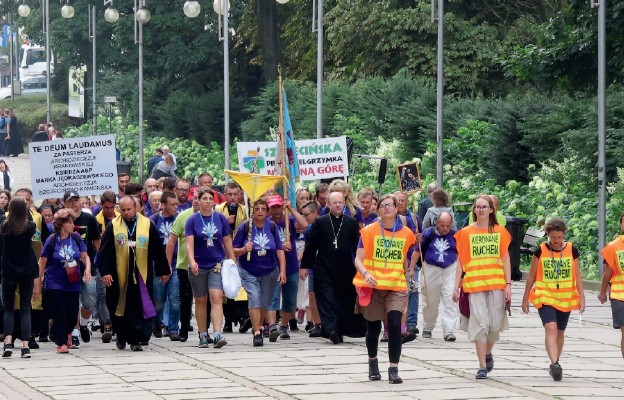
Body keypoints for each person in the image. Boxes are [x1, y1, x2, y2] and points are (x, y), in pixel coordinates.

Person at [353, 194, 416, 383]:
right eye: (383, 205)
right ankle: (373, 362)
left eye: (391, 205)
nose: (387, 208)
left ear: (397, 209)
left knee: (395, 324)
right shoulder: (368, 232)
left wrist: (408, 274)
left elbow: (405, 256)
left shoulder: (406, 233)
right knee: (373, 329)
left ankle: (393, 369)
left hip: (396, 286)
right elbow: (358, 259)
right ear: (378, 210)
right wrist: (365, 274)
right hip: (373, 286)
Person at [98, 196, 170, 351]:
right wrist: (105, 272)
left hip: (141, 274)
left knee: (138, 306)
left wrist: (163, 270)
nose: (125, 213)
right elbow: (104, 252)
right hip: (118, 276)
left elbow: (157, 249)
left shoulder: (147, 224)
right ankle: (121, 336)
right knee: (117, 306)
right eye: (122, 210)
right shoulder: (113, 226)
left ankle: (135, 339)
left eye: (128, 209)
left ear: (135, 208)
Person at [452, 195, 511, 380]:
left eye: (484, 207)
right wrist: (456, 287)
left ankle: (487, 352)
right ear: (474, 210)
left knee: (494, 326)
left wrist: (508, 284)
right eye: (478, 207)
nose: (481, 210)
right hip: (474, 285)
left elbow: (505, 258)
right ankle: (482, 366)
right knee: (479, 324)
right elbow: (461, 262)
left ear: (492, 210)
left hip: (496, 284)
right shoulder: (466, 233)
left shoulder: (500, 232)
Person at [522, 218, 585, 381]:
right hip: (545, 295)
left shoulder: (572, 250)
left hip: (565, 297)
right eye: (553, 238)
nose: (556, 241)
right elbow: (531, 276)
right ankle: (555, 363)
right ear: (548, 235)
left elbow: (577, 275)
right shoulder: (541, 250)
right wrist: (525, 298)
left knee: (560, 331)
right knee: (551, 327)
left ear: (564, 234)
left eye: (559, 238)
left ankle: (555, 362)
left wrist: (582, 298)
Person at [301, 192, 366, 344]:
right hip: (324, 268)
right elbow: (311, 246)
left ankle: (340, 329)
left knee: (343, 301)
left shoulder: (351, 222)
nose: (337, 205)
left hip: (345, 269)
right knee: (327, 299)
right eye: (334, 202)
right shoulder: (320, 222)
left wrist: (362, 266)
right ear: (328, 204)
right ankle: (331, 330)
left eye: (340, 202)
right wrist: (305, 266)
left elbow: (358, 246)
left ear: (344, 203)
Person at [185, 188, 235, 348]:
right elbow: (189, 243)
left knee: (216, 297)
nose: (207, 201)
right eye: (204, 198)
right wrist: (192, 261)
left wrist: (232, 259)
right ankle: (202, 334)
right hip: (198, 265)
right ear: (198, 201)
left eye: (210, 199)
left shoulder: (220, 218)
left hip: (217, 264)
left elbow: (227, 241)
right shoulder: (192, 220)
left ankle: (217, 333)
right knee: (200, 300)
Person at [232, 198, 286, 347]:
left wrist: (282, 271)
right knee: (254, 297)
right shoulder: (245, 227)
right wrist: (244, 249)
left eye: (263, 209)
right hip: (249, 270)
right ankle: (257, 332)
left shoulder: (272, 226)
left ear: (267, 212)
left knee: (265, 302)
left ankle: (258, 323)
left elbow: (280, 250)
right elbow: (233, 250)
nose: (260, 212)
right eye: (257, 209)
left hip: (269, 270)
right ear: (252, 211)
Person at [37, 208, 92, 354]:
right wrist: (37, 281)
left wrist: (87, 269)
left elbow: (85, 256)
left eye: (72, 220)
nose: (72, 224)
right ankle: (61, 342)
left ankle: (66, 332)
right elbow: (42, 261)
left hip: (73, 281)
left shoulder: (76, 238)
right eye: (69, 221)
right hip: (55, 281)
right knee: (59, 311)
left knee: (72, 312)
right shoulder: (52, 239)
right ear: (61, 224)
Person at [1, 198, 39, 358]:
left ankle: (8, 343)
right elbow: (31, 223)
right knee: (25, 308)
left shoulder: (4, 226)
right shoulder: (30, 226)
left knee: (9, 308)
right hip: (27, 270)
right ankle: (25, 346)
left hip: (9, 270)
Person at [266, 195, 308, 341]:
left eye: (278, 206)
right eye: (273, 207)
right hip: (272, 266)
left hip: (291, 265)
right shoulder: (266, 224)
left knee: (290, 299)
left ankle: (284, 326)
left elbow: (304, 225)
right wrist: (279, 246)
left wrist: (291, 208)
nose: (276, 210)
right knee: (273, 297)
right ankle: (272, 326)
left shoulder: (289, 221)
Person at [413, 212, 458, 341]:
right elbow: (418, 250)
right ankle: (428, 327)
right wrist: (411, 268)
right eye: (442, 225)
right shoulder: (429, 233)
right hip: (431, 269)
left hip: (449, 269)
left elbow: (459, 253)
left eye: (447, 226)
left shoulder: (455, 235)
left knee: (450, 298)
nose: (445, 228)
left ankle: (449, 330)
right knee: (430, 301)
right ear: (436, 223)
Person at [64, 190, 100, 348]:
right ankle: (75, 332)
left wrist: (101, 262)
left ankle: (84, 324)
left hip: (87, 267)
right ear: (64, 203)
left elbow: (96, 243)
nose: (74, 203)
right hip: (68, 269)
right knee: (73, 301)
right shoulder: (62, 220)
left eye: (76, 199)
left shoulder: (89, 219)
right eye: (70, 200)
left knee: (90, 299)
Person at [215, 182, 248, 332]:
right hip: (222, 252)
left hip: (240, 252)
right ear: (225, 194)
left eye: (236, 194)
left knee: (241, 286)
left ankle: (243, 317)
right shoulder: (217, 210)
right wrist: (224, 223)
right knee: (225, 286)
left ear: (240, 194)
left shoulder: (245, 211)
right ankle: (228, 320)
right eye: (230, 194)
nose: (233, 197)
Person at [167, 193, 200, 343]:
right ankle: (184, 329)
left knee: (204, 299)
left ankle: (204, 331)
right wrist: (167, 264)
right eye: (195, 199)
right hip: (184, 265)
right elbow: (172, 240)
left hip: (207, 265)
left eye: (203, 198)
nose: (198, 202)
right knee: (185, 299)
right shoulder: (183, 216)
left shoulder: (215, 217)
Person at [150, 191, 181, 341]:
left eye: (177, 204)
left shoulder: (179, 219)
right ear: (163, 205)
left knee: (175, 299)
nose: (176, 207)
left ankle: (173, 328)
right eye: (172, 204)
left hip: (175, 265)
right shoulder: (154, 220)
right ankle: (157, 322)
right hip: (158, 267)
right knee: (159, 301)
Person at [598, 213, 624, 359]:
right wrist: (602, 292)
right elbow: (607, 273)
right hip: (619, 295)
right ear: (621, 225)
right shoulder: (613, 247)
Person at [298, 201, 322, 337]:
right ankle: (317, 324)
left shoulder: (326, 225)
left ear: (315, 213)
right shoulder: (308, 230)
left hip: (326, 266)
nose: (305, 217)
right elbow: (308, 248)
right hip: (313, 266)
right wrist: (304, 266)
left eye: (306, 214)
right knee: (312, 294)